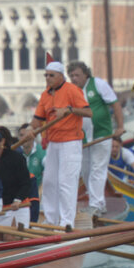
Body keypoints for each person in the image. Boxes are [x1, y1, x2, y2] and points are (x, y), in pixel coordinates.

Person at [29, 60, 91, 228]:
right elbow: (37, 119)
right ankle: (51, 220)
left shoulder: (72, 90)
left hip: (71, 142)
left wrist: (69, 110)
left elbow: (88, 112)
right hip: (53, 143)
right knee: (49, 182)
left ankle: (66, 222)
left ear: (61, 76)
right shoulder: (45, 95)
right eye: (46, 75)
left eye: (51, 75)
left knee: (66, 182)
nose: (48, 78)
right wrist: (30, 128)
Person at [67, 60, 124, 215]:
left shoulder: (98, 84)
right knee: (86, 170)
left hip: (102, 134)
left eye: (77, 75)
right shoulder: (71, 90)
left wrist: (120, 126)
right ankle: (97, 203)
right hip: (82, 138)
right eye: (71, 76)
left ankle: (96, 204)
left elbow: (115, 104)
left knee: (97, 169)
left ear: (85, 74)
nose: (74, 78)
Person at [0, 126, 32, 227]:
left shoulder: (17, 158)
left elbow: (26, 183)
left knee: (11, 235)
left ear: (2, 141)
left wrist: (18, 200)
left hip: (18, 206)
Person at [18, 123, 44, 223]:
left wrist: (40, 194)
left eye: (26, 136)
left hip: (37, 194)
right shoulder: (15, 152)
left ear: (33, 137)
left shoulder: (42, 152)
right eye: (21, 135)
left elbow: (48, 179)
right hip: (18, 196)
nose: (23, 139)